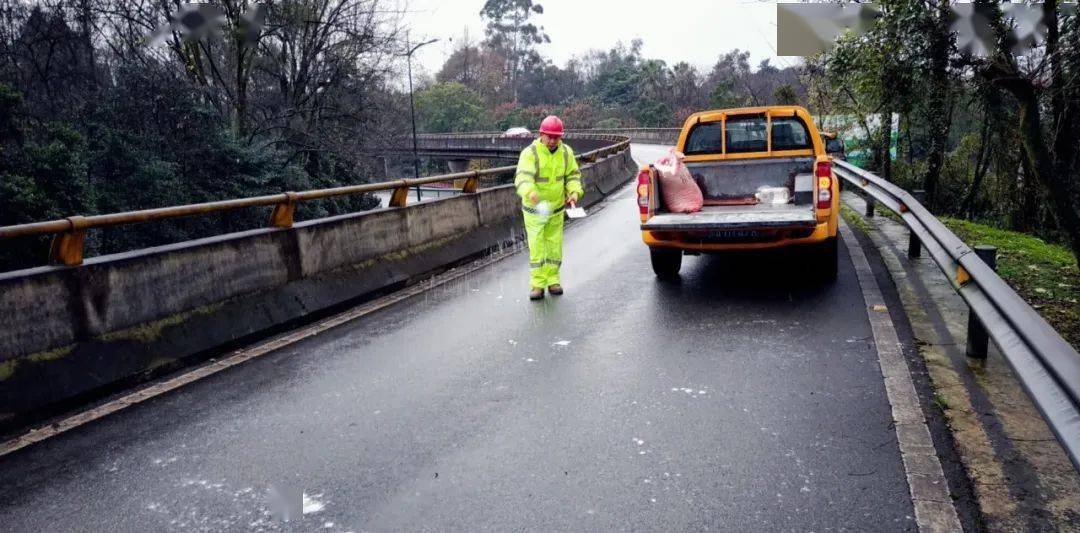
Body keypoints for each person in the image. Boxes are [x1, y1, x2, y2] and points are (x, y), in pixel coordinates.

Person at [514, 115, 583, 300]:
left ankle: (553, 280)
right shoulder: (530, 153)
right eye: (549, 136)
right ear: (541, 134)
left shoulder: (566, 152)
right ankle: (537, 284)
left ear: (561, 136)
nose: (552, 141)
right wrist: (530, 192)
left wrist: (574, 192)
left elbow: (573, 176)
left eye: (556, 137)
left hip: (557, 209)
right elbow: (522, 179)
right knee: (537, 246)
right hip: (534, 211)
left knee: (554, 245)